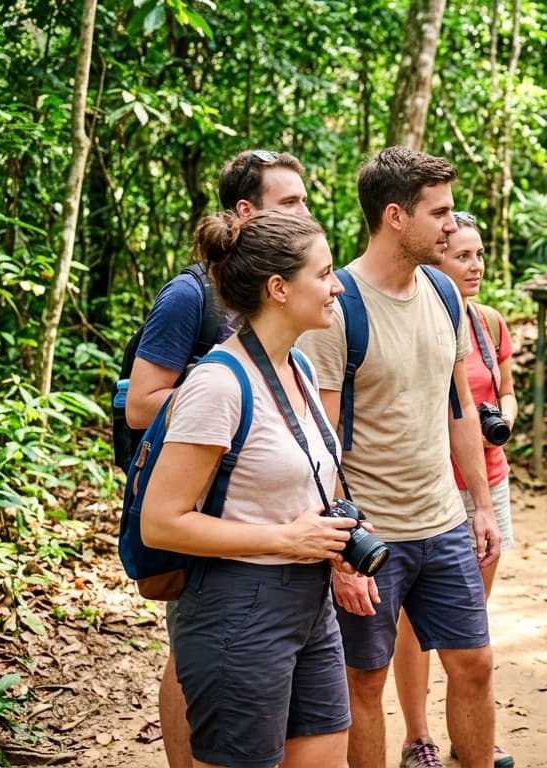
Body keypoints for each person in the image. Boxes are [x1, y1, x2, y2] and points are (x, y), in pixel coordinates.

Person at [296, 147, 502, 768]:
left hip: (442, 521)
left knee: (475, 663)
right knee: (364, 682)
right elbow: (319, 441)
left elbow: (459, 407)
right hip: (373, 534)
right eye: (438, 212)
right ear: (394, 216)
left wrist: (481, 506)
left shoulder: (443, 292)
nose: (451, 223)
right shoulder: (337, 310)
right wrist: (341, 554)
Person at [140, 209, 357, 768]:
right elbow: (162, 521)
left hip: (310, 602)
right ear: (279, 288)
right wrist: (287, 540)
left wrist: (335, 540)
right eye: (325, 272)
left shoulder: (300, 369)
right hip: (238, 608)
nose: (337, 286)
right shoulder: (217, 384)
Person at [125, 149, 311, 768]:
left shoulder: (287, 317)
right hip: (201, 518)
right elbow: (141, 404)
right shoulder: (191, 296)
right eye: (290, 203)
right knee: (191, 657)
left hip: (264, 524)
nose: (303, 211)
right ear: (245, 211)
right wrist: (233, 394)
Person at [390, 211, 517, 768]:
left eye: (480, 254)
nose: (475, 265)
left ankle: (472, 734)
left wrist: (502, 420)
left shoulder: (488, 323)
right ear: (435, 260)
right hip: (430, 491)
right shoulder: (418, 313)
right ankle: (418, 737)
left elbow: (502, 392)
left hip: (487, 481)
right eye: (462, 254)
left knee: (468, 625)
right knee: (416, 623)